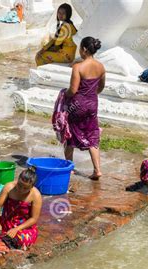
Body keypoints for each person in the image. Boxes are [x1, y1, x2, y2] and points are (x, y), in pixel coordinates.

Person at [64, 36, 106, 180]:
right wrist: (91, 96)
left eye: (80, 48)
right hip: (92, 104)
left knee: (70, 135)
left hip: (77, 106)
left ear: (84, 49)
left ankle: (69, 168)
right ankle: (97, 170)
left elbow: (73, 90)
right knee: (92, 136)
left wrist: (64, 94)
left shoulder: (78, 67)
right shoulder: (100, 66)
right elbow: (101, 87)